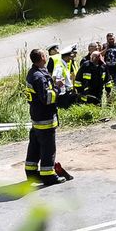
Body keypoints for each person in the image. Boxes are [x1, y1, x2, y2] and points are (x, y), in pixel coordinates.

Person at [23, 48, 69, 185]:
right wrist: (57, 87)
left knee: (35, 146)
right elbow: (47, 98)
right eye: (45, 54)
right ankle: (48, 176)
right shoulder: (39, 77)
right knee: (48, 148)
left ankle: (31, 174)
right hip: (45, 118)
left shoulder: (33, 74)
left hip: (36, 117)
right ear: (42, 57)